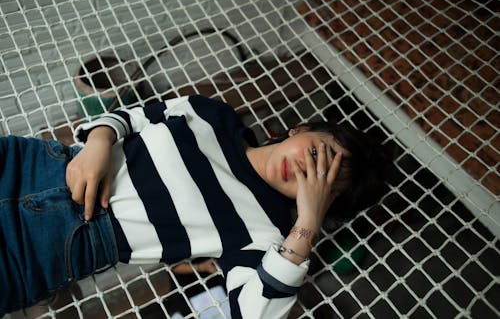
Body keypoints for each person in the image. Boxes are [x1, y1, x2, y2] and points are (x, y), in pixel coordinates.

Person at [0, 94, 387, 318]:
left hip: (60, 244)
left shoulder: (265, 233)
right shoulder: (213, 115)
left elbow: (253, 315)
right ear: (300, 130)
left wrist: (306, 222)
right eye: (318, 152)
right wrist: (99, 141)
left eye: (322, 178)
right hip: (38, 164)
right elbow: (135, 116)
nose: (307, 168)